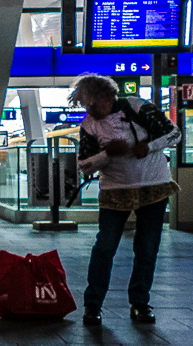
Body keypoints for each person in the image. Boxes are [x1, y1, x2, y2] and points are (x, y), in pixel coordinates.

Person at [70, 74, 181, 326]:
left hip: (153, 186)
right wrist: (107, 154)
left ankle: (140, 302)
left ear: (108, 96)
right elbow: (84, 165)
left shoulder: (138, 107)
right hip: (115, 189)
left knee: (147, 246)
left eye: (93, 104)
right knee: (105, 246)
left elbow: (174, 134)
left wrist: (149, 147)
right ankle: (93, 305)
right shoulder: (89, 124)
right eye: (86, 106)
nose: (90, 110)